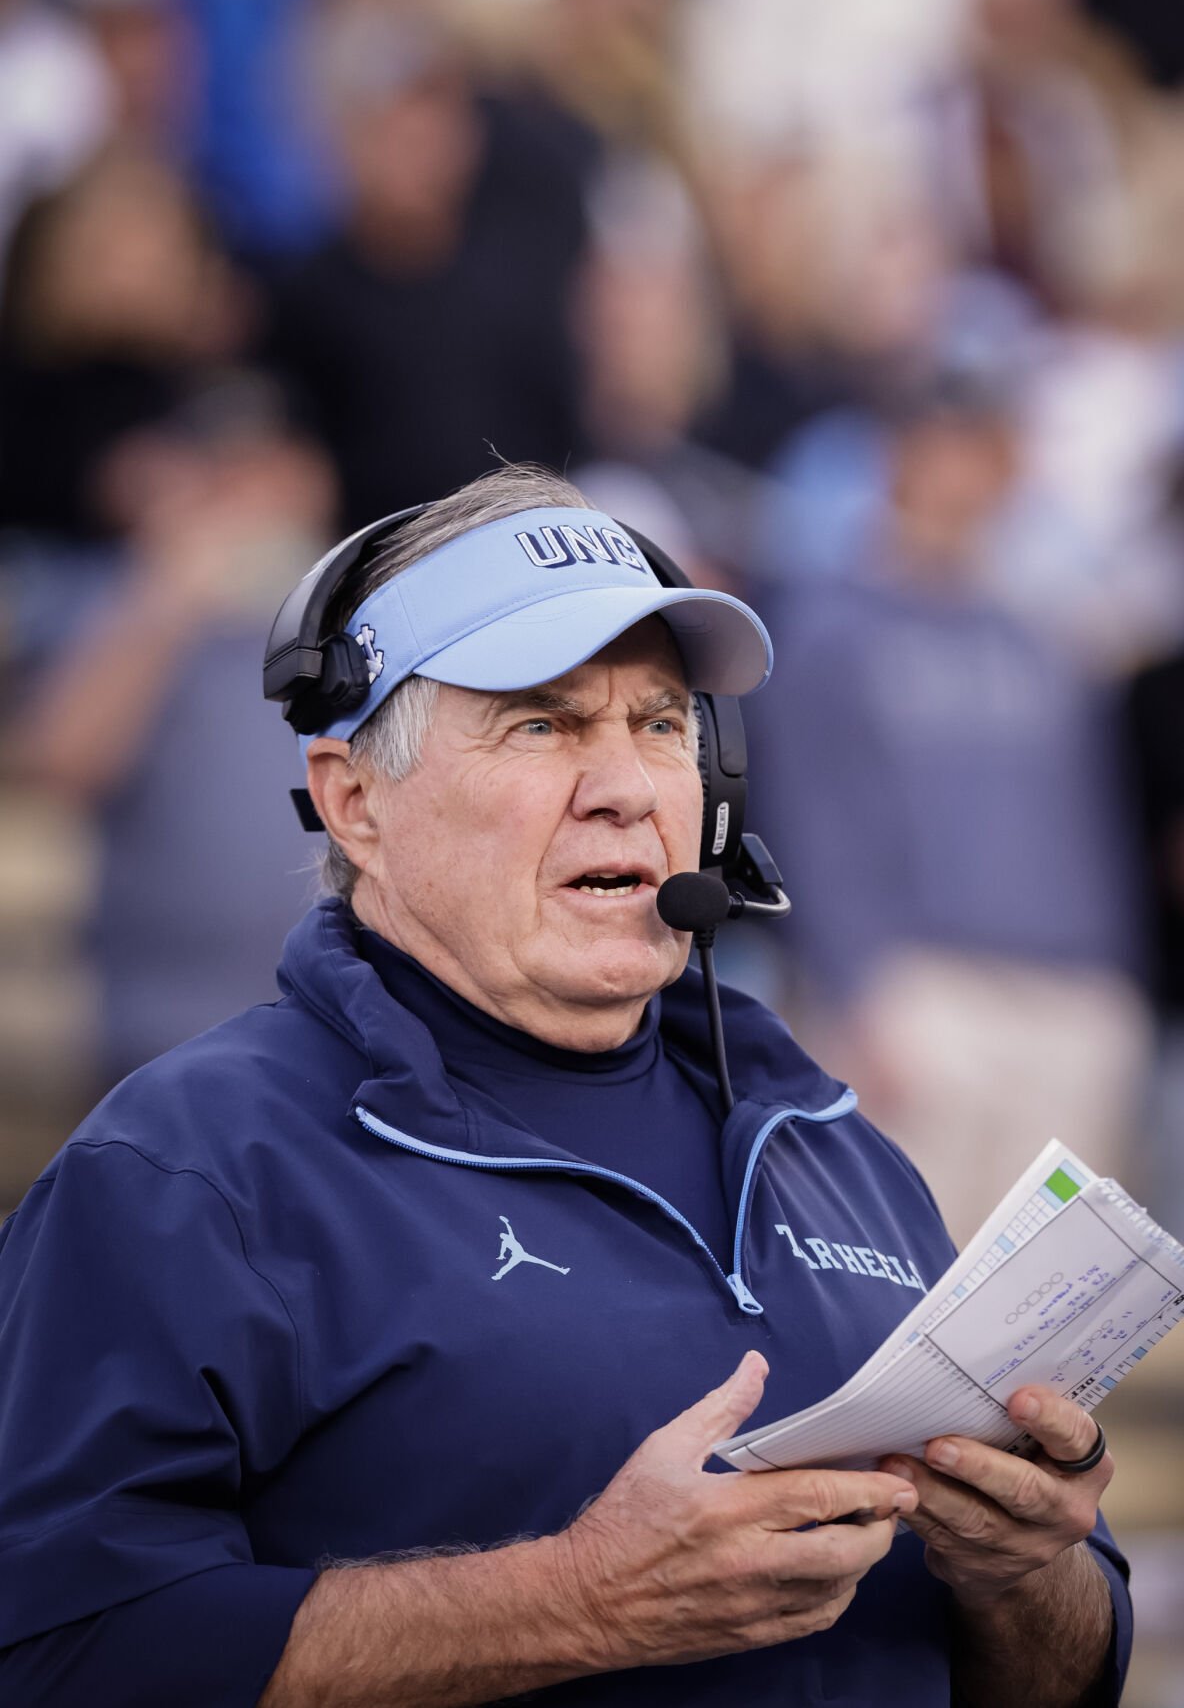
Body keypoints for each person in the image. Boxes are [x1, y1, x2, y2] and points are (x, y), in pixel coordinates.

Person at [0, 463, 1129, 1706]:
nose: (626, 786)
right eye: (540, 723)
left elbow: (1064, 1671)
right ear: (355, 803)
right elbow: (53, 1653)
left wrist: (1024, 1574)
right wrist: (577, 1600)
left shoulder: (833, 1144)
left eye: (659, 724)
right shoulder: (187, 1171)